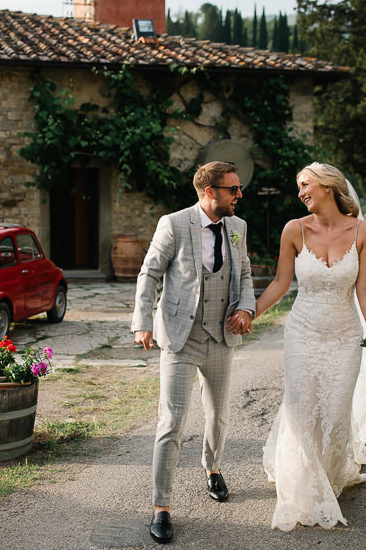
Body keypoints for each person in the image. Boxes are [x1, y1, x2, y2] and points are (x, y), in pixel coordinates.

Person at [253, 162, 366, 531]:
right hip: (302, 333)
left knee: (334, 408)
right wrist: (250, 313)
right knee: (302, 407)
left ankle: (327, 477)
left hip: (344, 336)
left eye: (305, 184)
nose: (300, 192)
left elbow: (364, 289)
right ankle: (302, 484)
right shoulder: (294, 229)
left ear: (328, 186)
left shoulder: (363, 231)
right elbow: (282, 283)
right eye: (298, 186)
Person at [131, 161, 256, 544]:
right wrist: (142, 321)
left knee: (219, 415)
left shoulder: (238, 227)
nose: (239, 195)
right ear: (209, 191)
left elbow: (246, 273)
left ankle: (212, 469)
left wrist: (246, 308)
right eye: (233, 189)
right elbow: (150, 273)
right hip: (181, 338)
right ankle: (161, 508)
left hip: (220, 337)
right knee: (171, 423)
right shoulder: (173, 224)